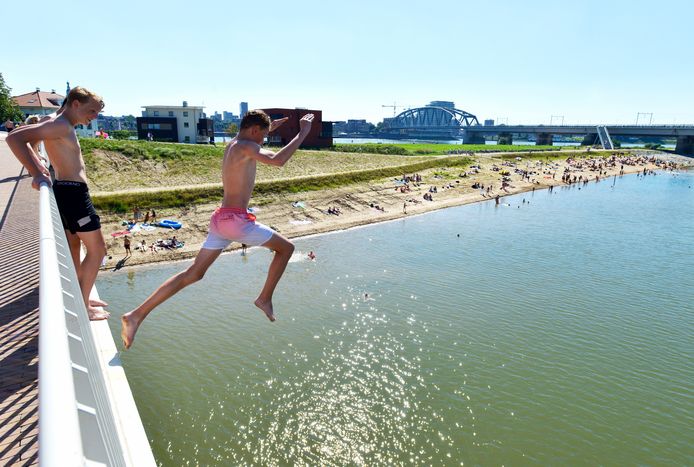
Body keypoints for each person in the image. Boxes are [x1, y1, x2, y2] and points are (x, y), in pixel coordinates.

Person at [121, 110, 313, 349]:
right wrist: (302, 132)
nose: (263, 142)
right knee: (287, 249)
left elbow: (252, 134)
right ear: (254, 131)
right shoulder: (246, 146)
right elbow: (277, 160)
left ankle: (136, 315)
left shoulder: (234, 143)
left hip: (220, 220)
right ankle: (264, 298)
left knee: (193, 274)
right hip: (236, 222)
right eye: (263, 136)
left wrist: (269, 128)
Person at [7, 86, 109, 320]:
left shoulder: (54, 121)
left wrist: (38, 164)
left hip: (65, 191)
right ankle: (82, 308)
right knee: (98, 250)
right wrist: (36, 172)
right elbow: (15, 137)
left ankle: (79, 296)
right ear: (75, 104)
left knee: (74, 246)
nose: (94, 117)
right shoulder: (61, 125)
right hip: (74, 195)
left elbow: (26, 136)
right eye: (91, 110)